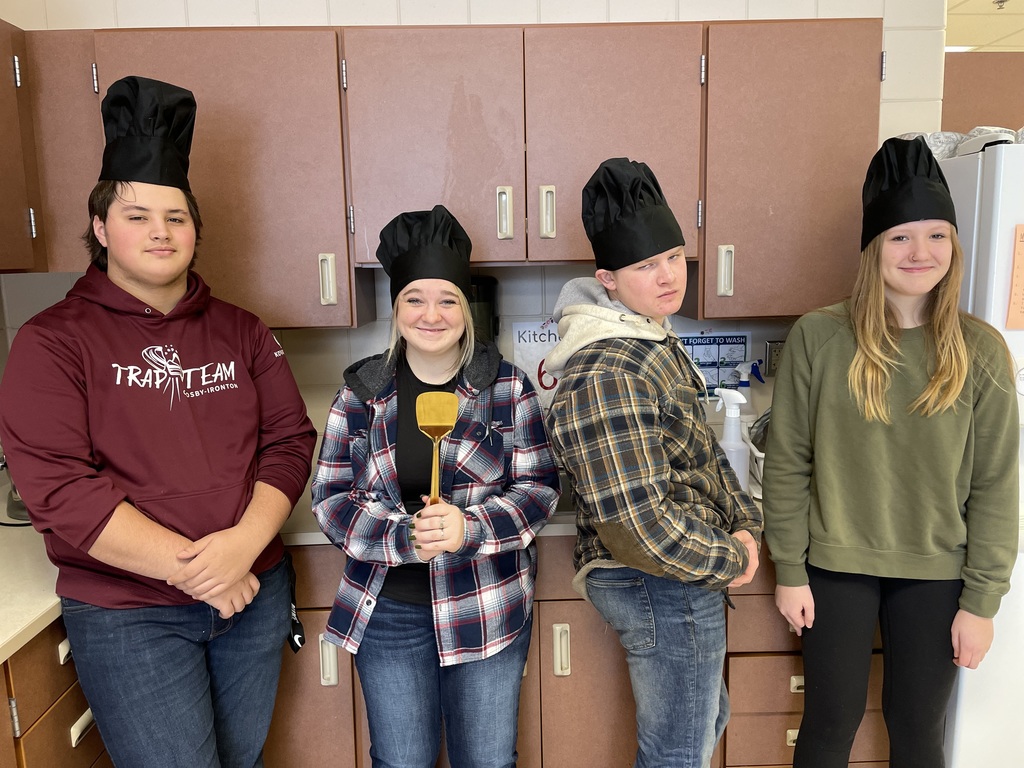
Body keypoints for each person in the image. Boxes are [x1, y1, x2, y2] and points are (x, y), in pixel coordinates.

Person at [0, 76, 317, 768]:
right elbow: (60, 489)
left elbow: (289, 442)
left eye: (175, 217)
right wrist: (200, 569)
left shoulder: (241, 331)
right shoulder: (50, 342)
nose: (160, 232)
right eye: (137, 215)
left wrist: (242, 547)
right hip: (128, 614)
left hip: (253, 598)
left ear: (196, 230)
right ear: (100, 227)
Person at [764, 136, 1020, 768]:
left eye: (937, 235)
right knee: (829, 726)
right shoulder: (819, 338)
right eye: (901, 237)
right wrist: (790, 570)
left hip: (938, 573)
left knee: (917, 731)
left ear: (954, 248)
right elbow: (788, 461)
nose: (920, 252)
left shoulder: (982, 352)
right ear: (873, 247)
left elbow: (996, 485)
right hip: (836, 566)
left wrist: (982, 602)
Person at [311, 204, 559, 768]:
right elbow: (329, 500)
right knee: (400, 763)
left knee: (488, 761)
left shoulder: (506, 388)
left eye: (447, 299)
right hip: (388, 614)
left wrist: (467, 528)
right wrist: (405, 539)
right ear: (396, 309)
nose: (432, 314)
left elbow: (539, 489)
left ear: (466, 309)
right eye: (414, 300)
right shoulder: (361, 394)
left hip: (486, 605)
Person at [544, 157, 762, 768]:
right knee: (675, 755)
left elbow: (702, 455)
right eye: (646, 265)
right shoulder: (609, 367)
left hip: (675, 571)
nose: (668, 276)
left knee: (699, 729)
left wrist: (743, 517)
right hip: (656, 579)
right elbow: (639, 526)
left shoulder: (650, 338)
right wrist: (730, 554)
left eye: (674, 257)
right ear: (607, 279)